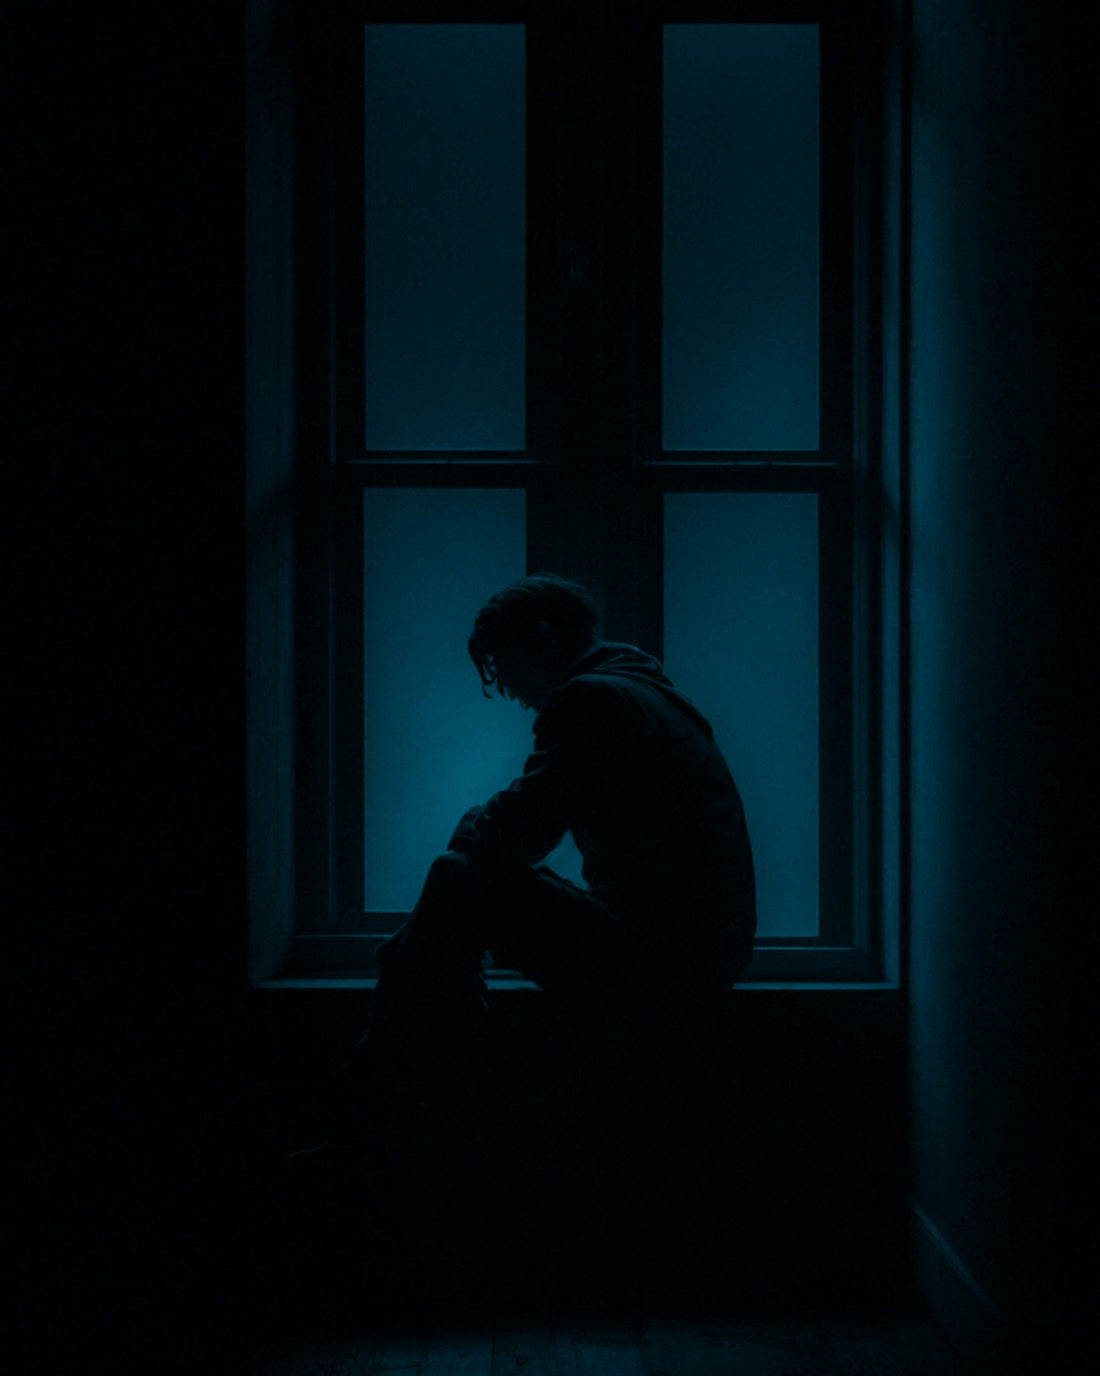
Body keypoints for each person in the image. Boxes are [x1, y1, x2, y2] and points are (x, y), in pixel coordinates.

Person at [324, 574, 756, 1160]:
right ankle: (397, 1095)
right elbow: (521, 827)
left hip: (657, 964)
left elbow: (515, 835)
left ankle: (391, 1103)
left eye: (503, 668)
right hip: (694, 956)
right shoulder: (650, 694)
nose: (511, 692)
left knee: (456, 878)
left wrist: (459, 855)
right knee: (457, 879)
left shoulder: (590, 700)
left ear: (544, 639)